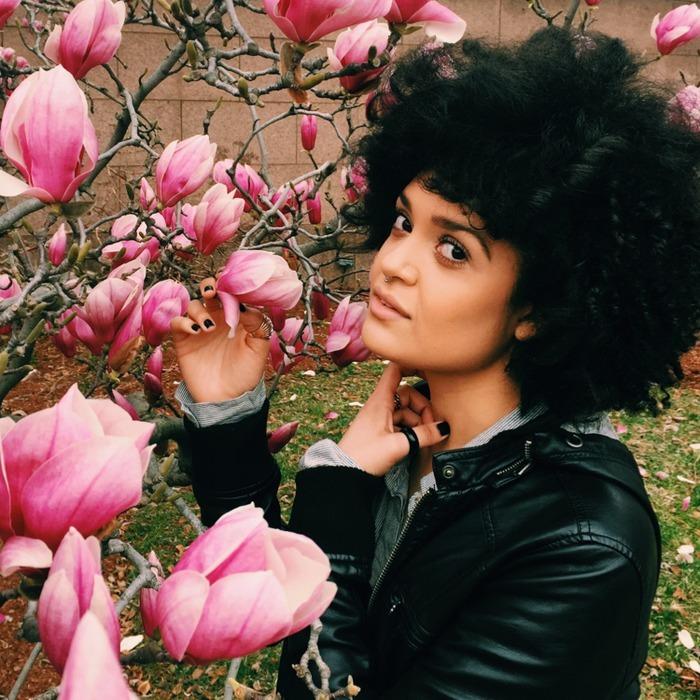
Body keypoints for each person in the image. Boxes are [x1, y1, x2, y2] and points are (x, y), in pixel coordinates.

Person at [170, 27, 700, 699]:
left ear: (543, 303)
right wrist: (226, 418)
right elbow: (282, 607)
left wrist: (336, 497)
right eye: (402, 221)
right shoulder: (409, 436)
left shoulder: (581, 547)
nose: (393, 264)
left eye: (454, 249)